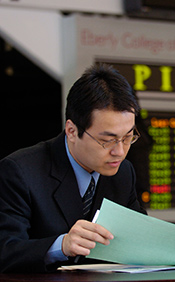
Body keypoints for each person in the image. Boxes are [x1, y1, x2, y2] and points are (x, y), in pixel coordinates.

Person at [0, 64, 147, 273]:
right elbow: (5, 251)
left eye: (127, 137)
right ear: (71, 130)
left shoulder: (123, 173)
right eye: (108, 140)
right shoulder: (20, 172)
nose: (120, 152)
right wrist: (61, 246)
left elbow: (139, 239)